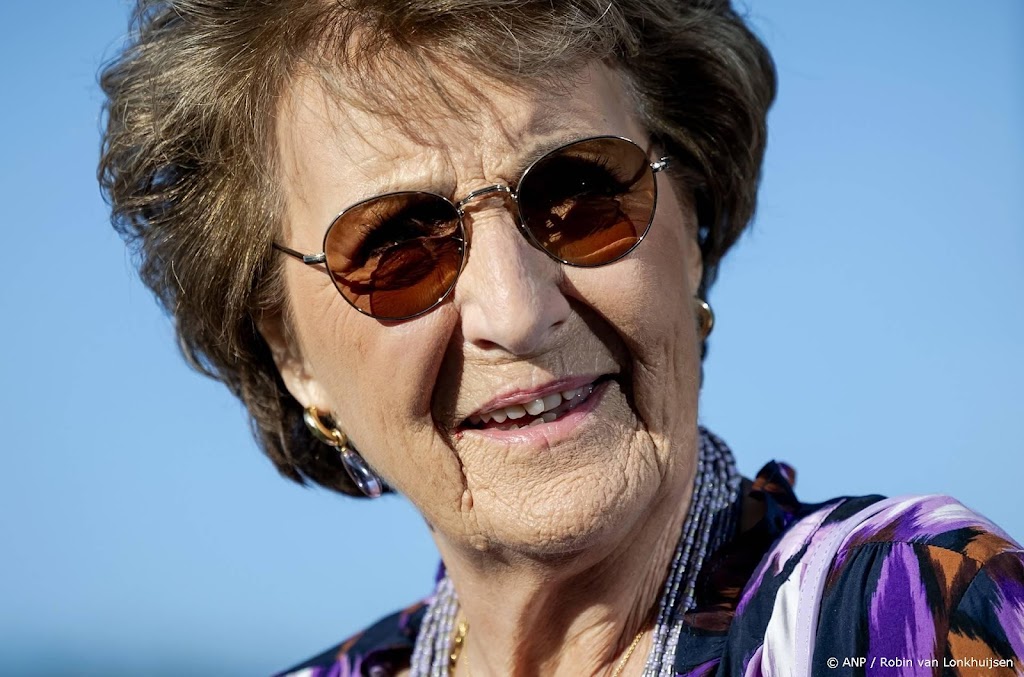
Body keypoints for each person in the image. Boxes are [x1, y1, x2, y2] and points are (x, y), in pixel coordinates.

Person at [98, 1, 1024, 675]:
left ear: (691, 228)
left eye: (579, 194)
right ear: (293, 354)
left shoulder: (909, 613)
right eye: (399, 248)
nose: (515, 309)